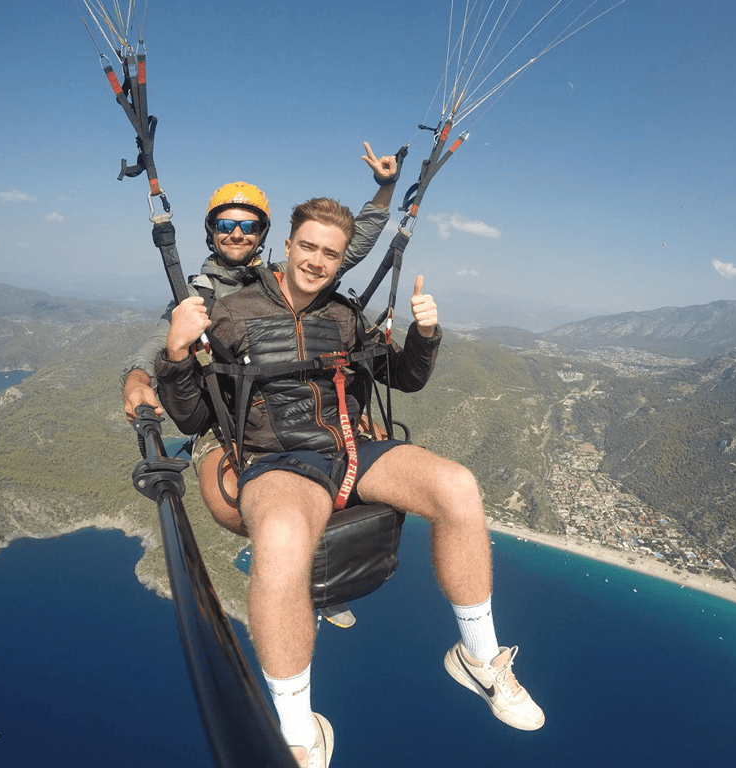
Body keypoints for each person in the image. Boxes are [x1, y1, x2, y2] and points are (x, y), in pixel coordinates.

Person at [154, 197, 545, 767]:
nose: (316, 261)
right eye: (307, 247)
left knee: (457, 486)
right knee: (283, 538)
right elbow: (191, 418)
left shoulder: (343, 315)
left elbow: (402, 378)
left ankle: (479, 658)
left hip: (351, 445)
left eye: (330, 254)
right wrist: (175, 351)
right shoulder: (229, 312)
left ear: (341, 262)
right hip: (278, 458)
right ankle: (296, 729)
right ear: (285, 247)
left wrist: (426, 334)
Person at [121, 143, 399, 536]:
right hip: (227, 415)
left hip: (294, 412)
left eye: (248, 227)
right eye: (226, 225)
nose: (237, 234)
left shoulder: (281, 279)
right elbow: (162, 338)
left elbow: (345, 248)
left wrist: (384, 190)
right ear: (211, 231)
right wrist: (137, 378)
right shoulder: (200, 294)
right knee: (231, 502)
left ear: (263, 234)